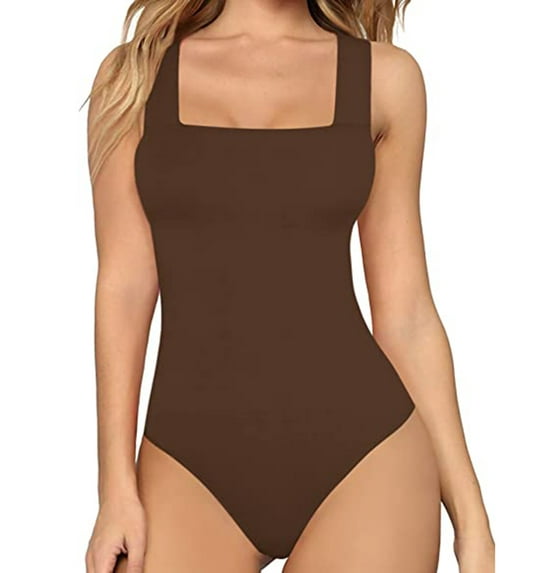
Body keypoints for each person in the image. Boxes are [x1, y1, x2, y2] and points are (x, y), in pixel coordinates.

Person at [84, 1, 494, 572]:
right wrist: (114, 490)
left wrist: (472, 521)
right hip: (188, 466)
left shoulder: (385, 80)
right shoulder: (135, 78)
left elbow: (405, 315)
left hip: (365, 458)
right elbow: (124, 286)